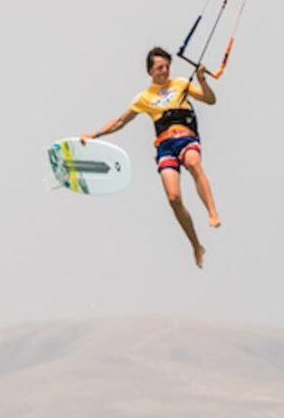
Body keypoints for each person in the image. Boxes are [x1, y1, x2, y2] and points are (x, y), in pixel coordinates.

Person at [82, 47, 221, 268]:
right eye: (160, 67)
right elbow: (120, 121)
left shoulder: (181, 84)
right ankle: (196, 244)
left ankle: (212, 212)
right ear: (150, 71)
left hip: (186, 139)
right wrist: (95, 134)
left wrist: (203, 81)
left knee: (194, 162)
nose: (165, 71)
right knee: (173, 198)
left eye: (167, 66)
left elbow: (210, 100)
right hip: (165, 147)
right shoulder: (143, 98)